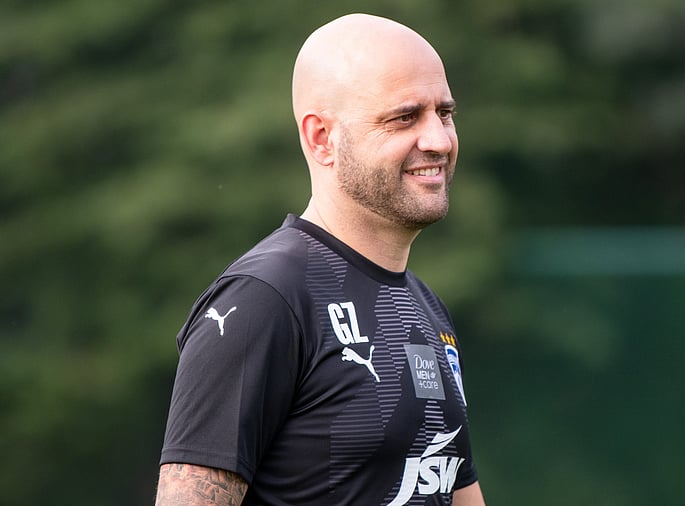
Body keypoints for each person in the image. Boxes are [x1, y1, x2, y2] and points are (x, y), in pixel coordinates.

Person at [155, 13, 485, 506]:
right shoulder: (265, 298)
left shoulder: (425, 308)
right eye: (404, 117)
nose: (438, 139)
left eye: (445, 112)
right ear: (321, 138)